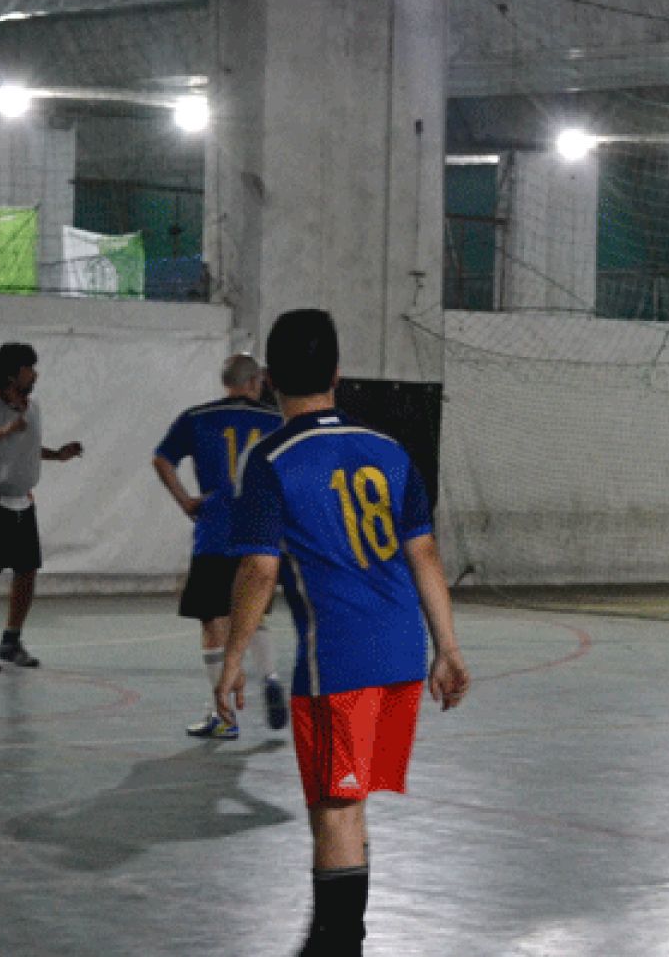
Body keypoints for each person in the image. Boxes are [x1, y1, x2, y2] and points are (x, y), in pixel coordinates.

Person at [217, 309, 471, 957]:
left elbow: (258, 570)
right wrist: (447, 648)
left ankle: (338, 945)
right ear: (336, 373)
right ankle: (329, 936)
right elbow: (425, 554)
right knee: (348, 805)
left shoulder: (272, 459)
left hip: (339, 660)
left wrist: (233, 657)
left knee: (335, 809)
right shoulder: (389, 450)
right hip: (402, 655)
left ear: (270, 380)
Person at [153, 352, 286, 739]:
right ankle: (271, 676)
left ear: (226, 382)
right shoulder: (276, 421)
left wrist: (185, 501)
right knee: (252, 609)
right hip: (258, 530)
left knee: (212, 621)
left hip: (215, 529)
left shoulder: (197, 417)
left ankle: (223, 716)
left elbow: (162, 459)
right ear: (256, 382)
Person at [0, 342, 83, 673]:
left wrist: (57, 455)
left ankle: (10, 642)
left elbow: (24, 447)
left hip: (22, 503)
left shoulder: (32, 408)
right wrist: (4, 430)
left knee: (27, 572)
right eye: (30, 368)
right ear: (13, 374)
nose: (35, 374)